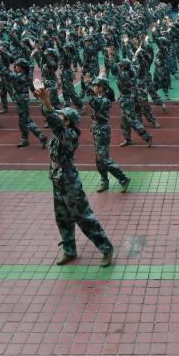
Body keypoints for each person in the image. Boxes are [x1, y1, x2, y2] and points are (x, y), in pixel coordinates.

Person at [34, 82, 115, 267]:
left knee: (83, 217)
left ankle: (106, 248)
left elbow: (54, 121)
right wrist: (45, 102)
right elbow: (51, 117)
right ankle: (69, 250)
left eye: (60, 115)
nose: (56, 116)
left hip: (69, 181)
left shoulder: (68, 135)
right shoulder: (60, 131)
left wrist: (47, 104)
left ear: (67, 122)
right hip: (57, 178)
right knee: (62, 217)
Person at [82, 73, 131, 193]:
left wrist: (87, 84)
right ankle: (104, 180)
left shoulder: (104, 101)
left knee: (103, 158)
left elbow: (92, 101)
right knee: (99, 158)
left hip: (102, 130)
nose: (94, 87)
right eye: (93, 85)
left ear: (102, 88)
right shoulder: (100, 98)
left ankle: (123, 179)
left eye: (96, 85)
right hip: (97, 128)